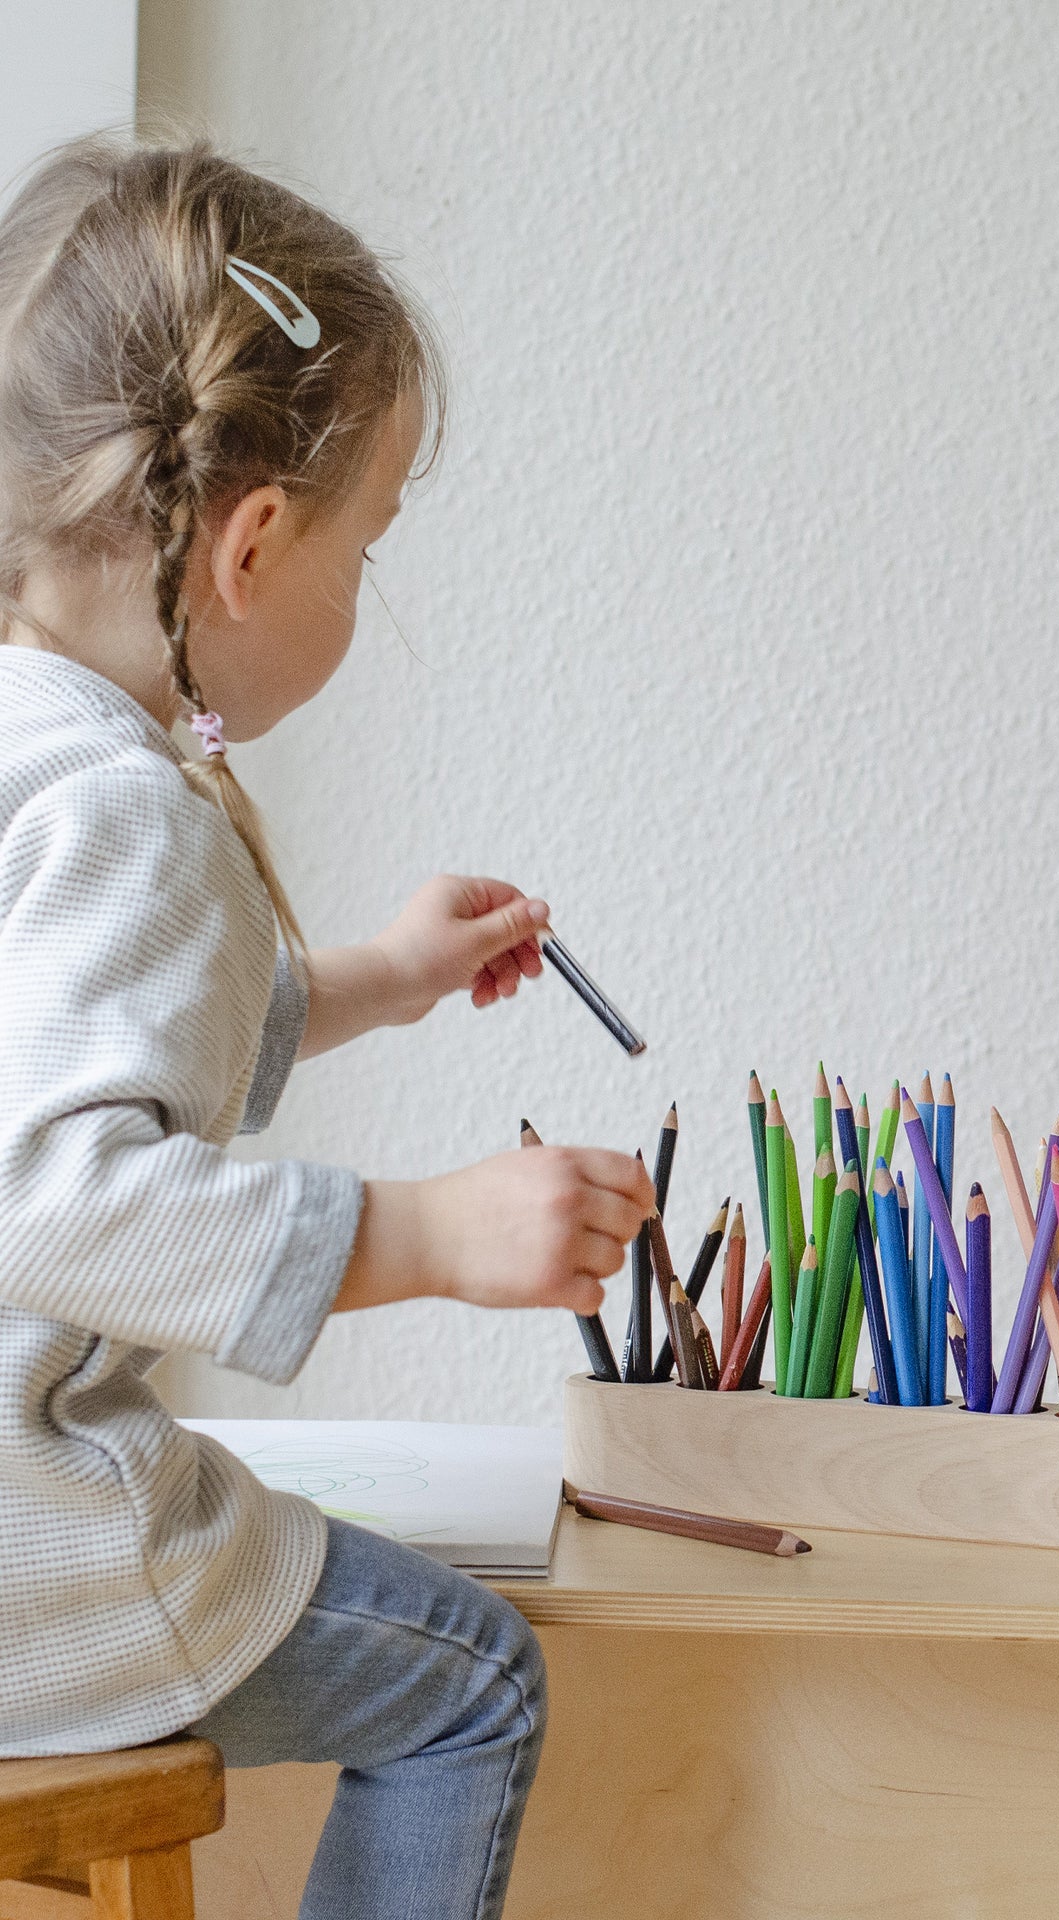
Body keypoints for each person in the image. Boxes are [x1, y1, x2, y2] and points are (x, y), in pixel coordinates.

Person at [0, 132, 655, 1920]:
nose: (361, 595)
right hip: (28, 1576)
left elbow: (86, 1044)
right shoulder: (127, 808)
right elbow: (53, 1191)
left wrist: (376, 973)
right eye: (366, 552)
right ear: (253, 544)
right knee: (473, 1681)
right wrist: (431, 1234)